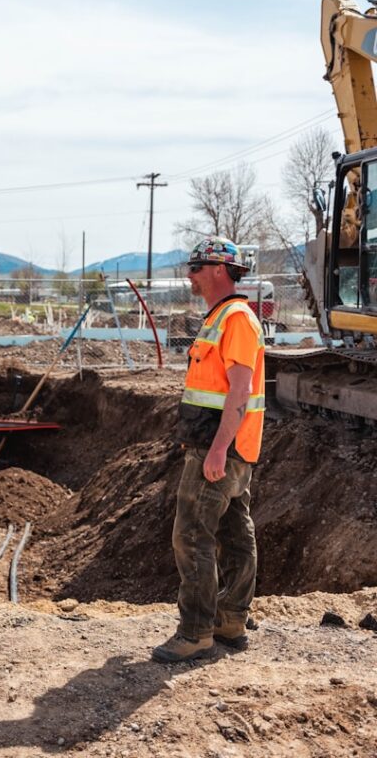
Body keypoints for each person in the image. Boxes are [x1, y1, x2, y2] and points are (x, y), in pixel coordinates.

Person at [152, 236, 266, 664]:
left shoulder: (235, 318)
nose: (190, 275)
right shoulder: (223, 317)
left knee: (191, 536)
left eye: (197, 268)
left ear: (220, 270)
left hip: (218, 447)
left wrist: (218, 449)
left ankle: (196, 632)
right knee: (236, 531)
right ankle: (230, 620)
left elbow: (240, 390)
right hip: (228, 444)